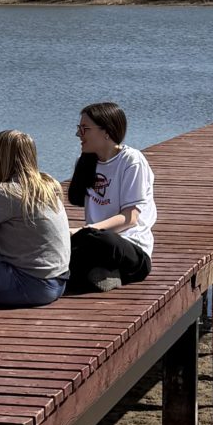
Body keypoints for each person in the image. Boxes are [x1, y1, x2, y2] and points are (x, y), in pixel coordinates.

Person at [0, 130, 71, 308]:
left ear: (0, 159)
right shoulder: (49, 184)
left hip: (30, 284)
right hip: (59, 282)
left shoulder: (5, 193)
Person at [67, 101, 156, 292]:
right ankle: (101, 274)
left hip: (131, 248)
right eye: (78, 128)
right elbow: (75, 199)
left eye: (85, 129)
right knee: (57, 242)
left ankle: (96, 272)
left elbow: (130, 218)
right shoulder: (84, 162)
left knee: (104, 241)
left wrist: (85, 231)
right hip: (94, 242)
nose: (78, 134)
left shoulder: (131, 161)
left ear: (106, 131)